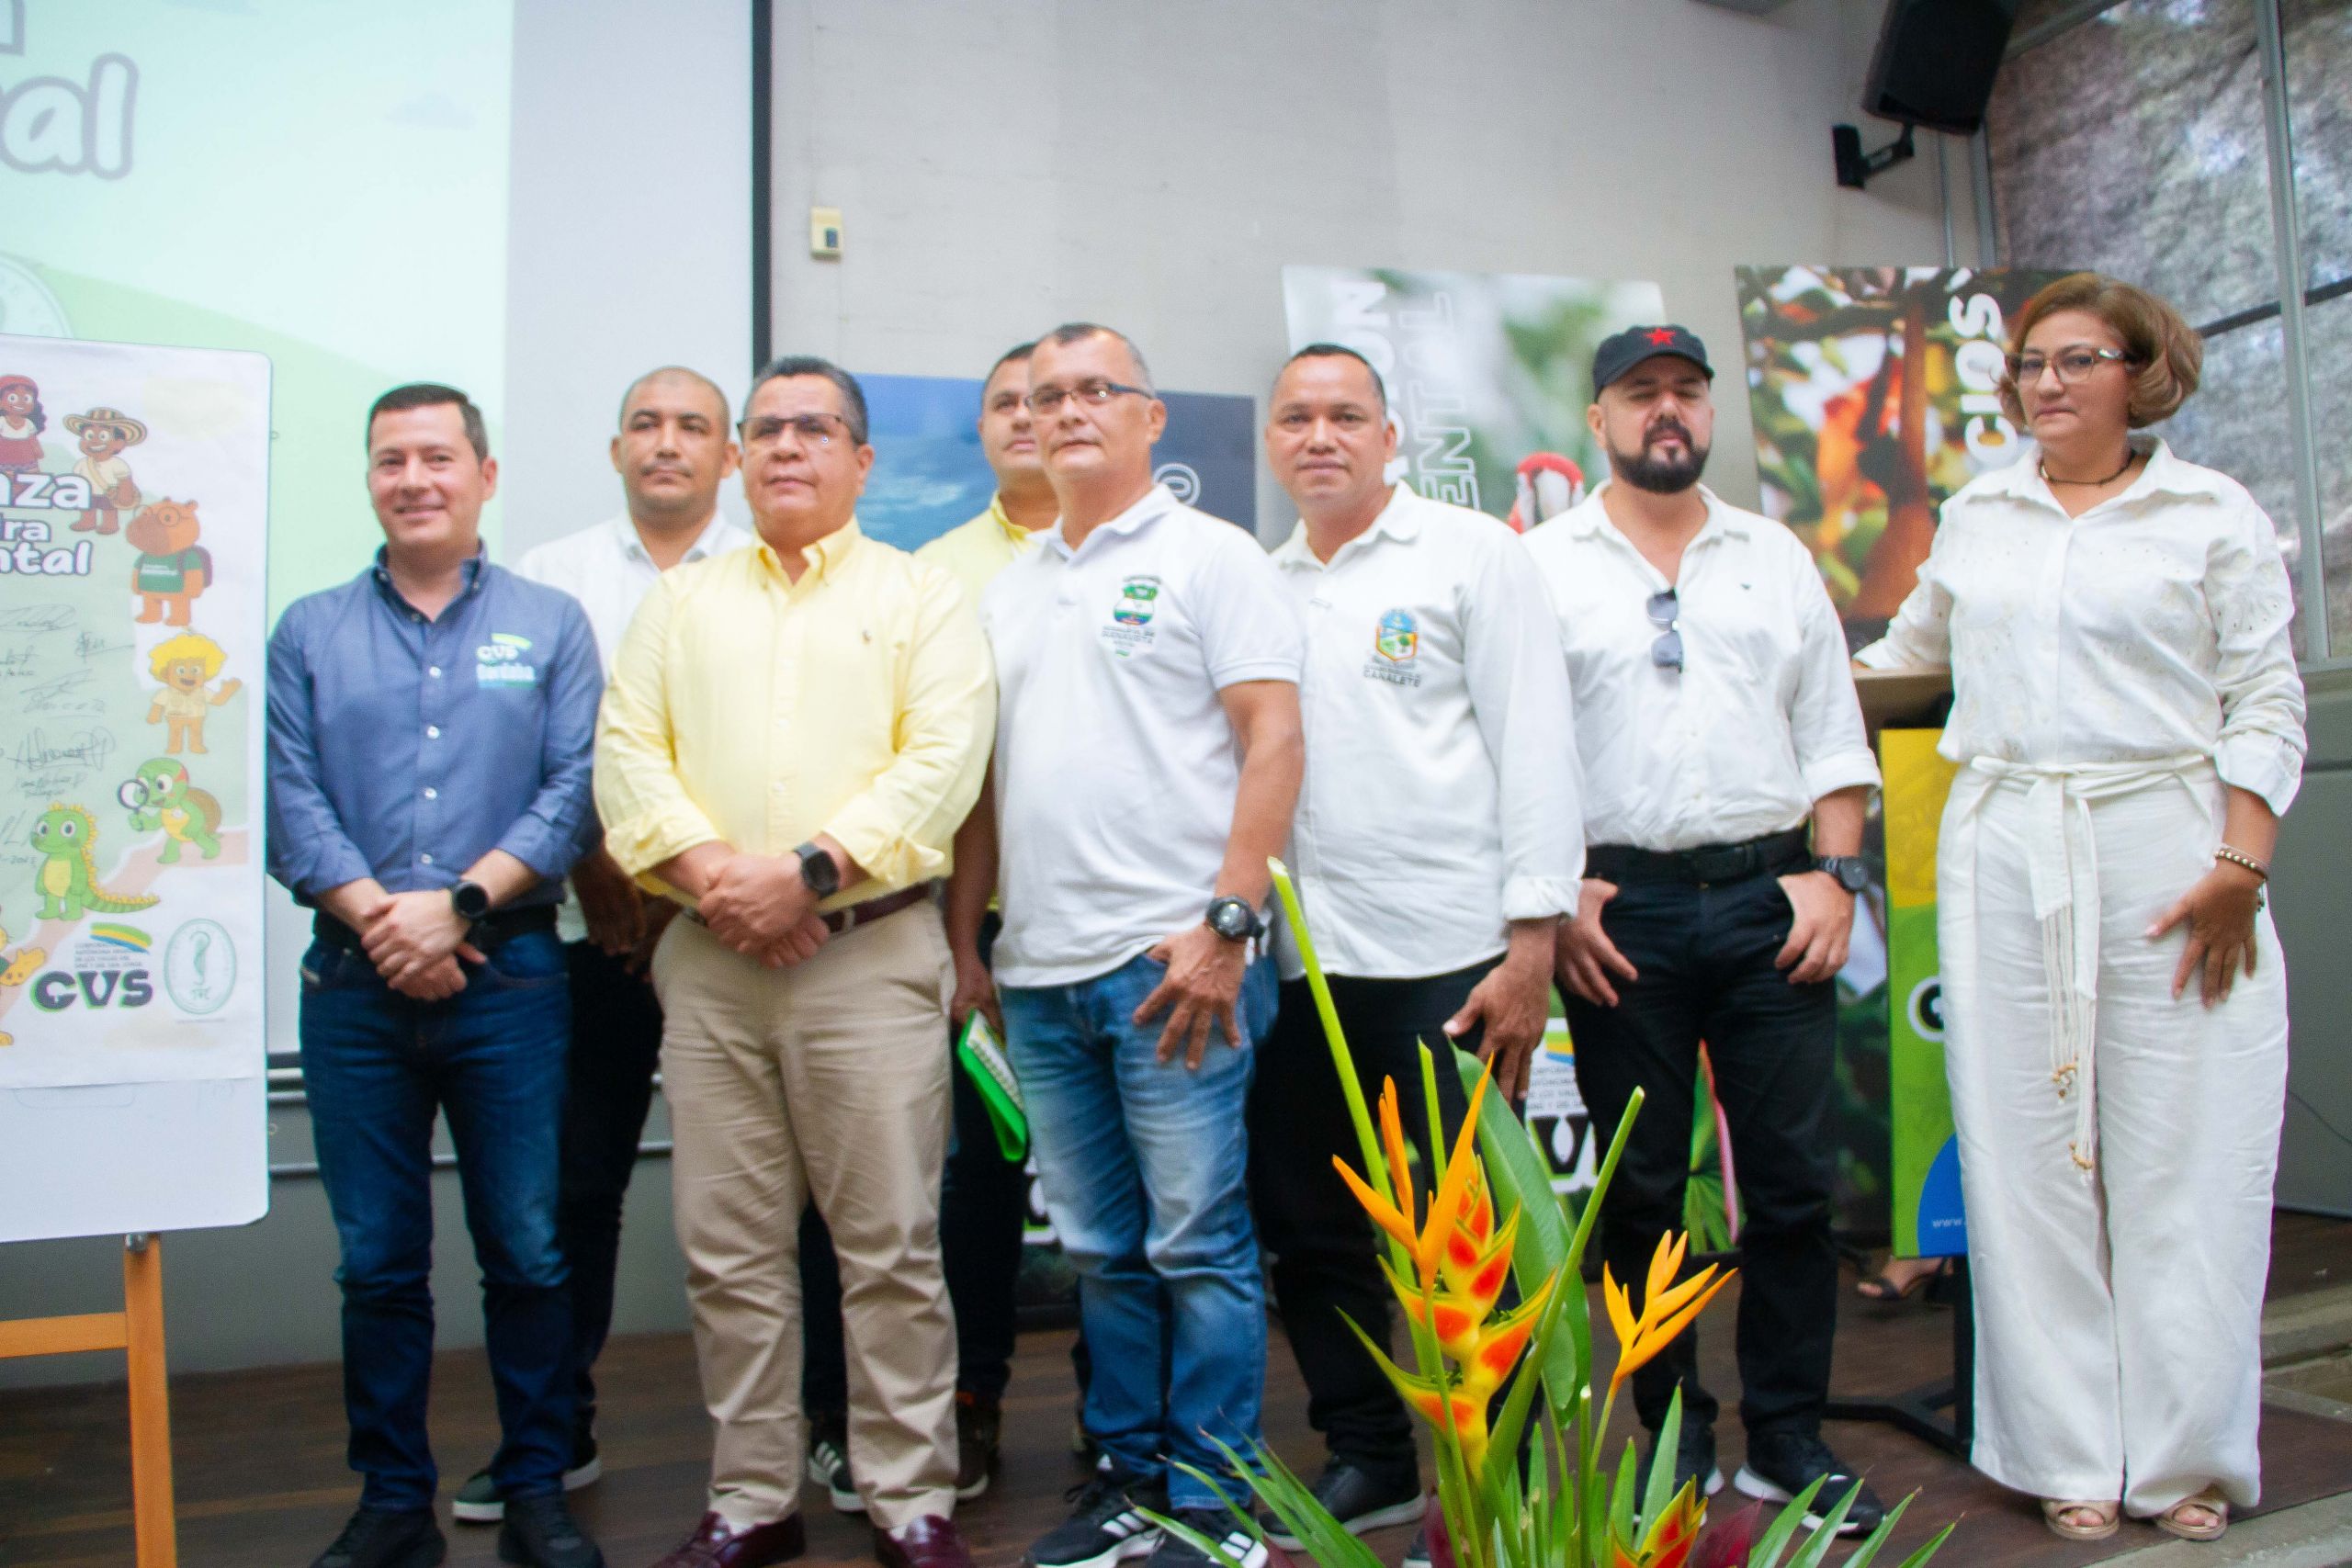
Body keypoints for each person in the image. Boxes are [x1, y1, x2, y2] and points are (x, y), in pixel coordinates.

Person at [1856, 274, 2303, 1545]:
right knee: (2027, 1158)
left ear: (2142, 371)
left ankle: (2186, 1455)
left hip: (2177, 844)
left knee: (2190, 1153)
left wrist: (2242, 862)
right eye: (2029, 364)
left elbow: (2266, 697)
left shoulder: (2209, 511)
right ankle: (2067, 1449)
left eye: (2075, 360)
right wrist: (1786, 676)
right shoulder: (1983, 511)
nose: (2044, 384)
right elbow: (1908, 660)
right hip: (2009, 842)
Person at [595, 355, 993, 1568]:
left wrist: (809, 870)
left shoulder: (924, 597)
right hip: (710, 960)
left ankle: (910, 1495)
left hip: (868, 956)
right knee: (730, 1243)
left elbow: (944, 760)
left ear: (860, 460)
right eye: (764, 430)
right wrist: (720, 875)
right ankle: (753, 1493)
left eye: (814, 430)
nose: (784, 449)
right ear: (735, 456)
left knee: (887, 1242)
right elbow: (627, 756)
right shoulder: (681, 602)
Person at [1524, 326, 1887, 1535]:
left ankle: (1788, 1433)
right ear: (1600, 420)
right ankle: (1671, 1434)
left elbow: (1833, 734)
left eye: (1686, 392)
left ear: (1708, 413)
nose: (1666, 412)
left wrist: (1835, 876)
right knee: (1643, 1198)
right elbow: (1517, 751)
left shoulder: (1773, 555)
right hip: (1614, 913)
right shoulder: (1540, 564)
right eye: (1642, 394)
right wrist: (1557, 885)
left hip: (1772, 899)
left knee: (1791, 1188)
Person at [956, 322, 1303, 1568]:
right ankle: (1132, 1479)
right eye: (1044, 396)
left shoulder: (1215, 558)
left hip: (1179, 969)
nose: (1067, 411)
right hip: (1041, 978)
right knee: (1101, 1250)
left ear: (1152, 416)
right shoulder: (1008, 587)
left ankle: (1214, 1504)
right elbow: (989, 796)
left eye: (1096, 389)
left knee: (1198, 1240)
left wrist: (1227, 923)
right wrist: (967, 945)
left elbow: (1274, 739)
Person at [266, 383, 607, 1568]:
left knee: (527, 1247)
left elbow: (571, 796)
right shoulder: (307, 630)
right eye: (389, 460)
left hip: (510, 985)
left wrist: (454, 906)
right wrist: (383, 925)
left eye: (437, 457)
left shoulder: (553, 623)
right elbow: (291, 804)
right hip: (355, 993)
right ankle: (392, 1502)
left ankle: (537, 1487)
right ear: (370, 479)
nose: (413, 479)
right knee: (376, 1263)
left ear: (485, 475)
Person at [1250, 344, 1582, 1544]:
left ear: (1392, 436)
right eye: (1296, 417)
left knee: (1477, 1233)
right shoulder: (1256, 578)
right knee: (1313, 1221)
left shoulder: (1474, 554)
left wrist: (1531, 940)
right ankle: (1371, 1451)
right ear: (1273, 442)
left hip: (1452, 954)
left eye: (1347, 415)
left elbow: (1538, 742)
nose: (1320, 435)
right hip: (1299, 962)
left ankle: (1519, 1474)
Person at [436, 367, 752, 1528]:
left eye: (693, 428)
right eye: (647, 425)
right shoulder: (544, 581)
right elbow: (522, 753)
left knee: (790, 1195)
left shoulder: (773, 569)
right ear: (616, 448)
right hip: (585, 936)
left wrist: (692, 886)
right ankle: (552, 1434)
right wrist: (594, 870)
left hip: (739, 931)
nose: (667, 444)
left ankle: (821, 1427)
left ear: (729, 456)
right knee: (574, 1188)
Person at [799, 341, 1059, 1510]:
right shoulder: (932, 574)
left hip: (1119, 933)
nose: (1026, 419)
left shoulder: (1157, 558)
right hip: (962, 932)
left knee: (1132, 1205)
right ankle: (966, 1405)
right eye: (1004, 403)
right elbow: (935, 772)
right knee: (961, 1186)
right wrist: (963, 946)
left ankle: (1127, 1432)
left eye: (1048, 399)